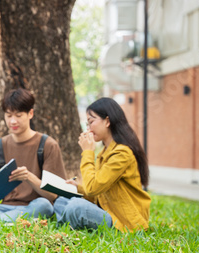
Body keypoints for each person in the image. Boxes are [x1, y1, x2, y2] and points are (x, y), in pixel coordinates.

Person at [0, 88, 67, 223]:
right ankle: (6, 221)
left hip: (32, 206)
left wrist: (29, 177)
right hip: (3, 208)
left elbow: (53, 195)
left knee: (44, 206)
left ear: (30, 113)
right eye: (8, 116)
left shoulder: (47, 145)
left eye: (18, 115)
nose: (13, 121)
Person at [54, 97, 150, 231]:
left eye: (91, 122)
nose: (88, 129)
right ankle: (69, 223)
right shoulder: (105, 153)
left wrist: (87, 152)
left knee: (76, 207)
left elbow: (94, 188)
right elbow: (99, 194)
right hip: (108, 211)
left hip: (123, 223)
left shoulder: (122, 153)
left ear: (107, 121)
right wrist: (78, 189)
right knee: (61, 201)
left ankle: (65, 225)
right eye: (87, 124)